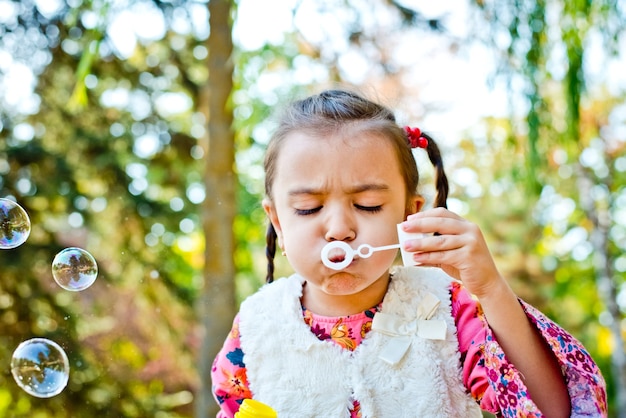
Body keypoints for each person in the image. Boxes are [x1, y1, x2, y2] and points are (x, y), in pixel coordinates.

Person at [211, 89, 607, 417]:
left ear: (409, 215)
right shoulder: (255, 328)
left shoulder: (450, 310)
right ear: (278, 221)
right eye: (308, 209)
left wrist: (491, 289)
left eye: (367, 205)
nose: (338, 229)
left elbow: (556, 410)